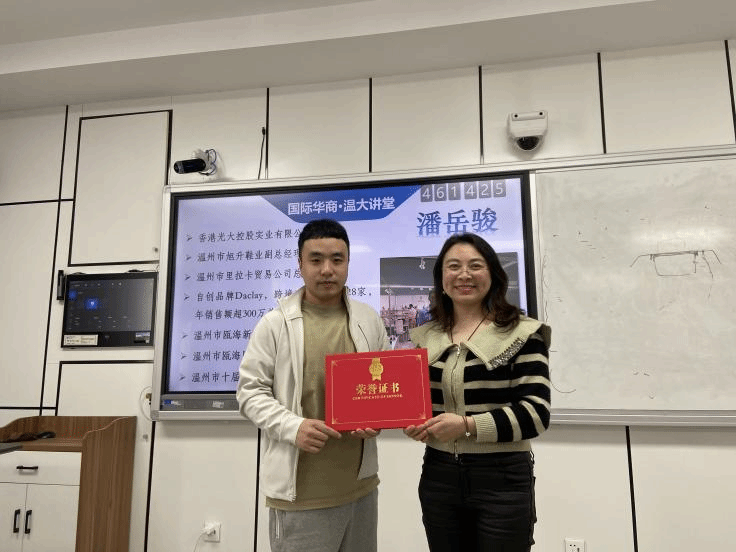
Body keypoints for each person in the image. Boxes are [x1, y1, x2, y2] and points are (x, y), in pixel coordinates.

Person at [237, 218, 390, 552]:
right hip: (301, 496)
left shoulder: (368, 319)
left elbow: (385, 386)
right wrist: (294, 427)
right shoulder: (275, 324)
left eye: (337, 259)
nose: (327, 270)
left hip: (361, 489)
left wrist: (379, 417)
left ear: (348, 263)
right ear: (300, 264)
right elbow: (250, 393)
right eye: (316, 260)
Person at [404, 233, 551, 552]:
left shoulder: (523, 333)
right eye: (453, 266)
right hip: (439, 475)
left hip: (503, 479)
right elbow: (416, 405)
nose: (464, 275)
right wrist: (414, 423)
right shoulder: (424, 338)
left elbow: (536, 414)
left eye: (475, 265)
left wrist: (467, 426)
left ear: (493, 274)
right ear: (442, 279)